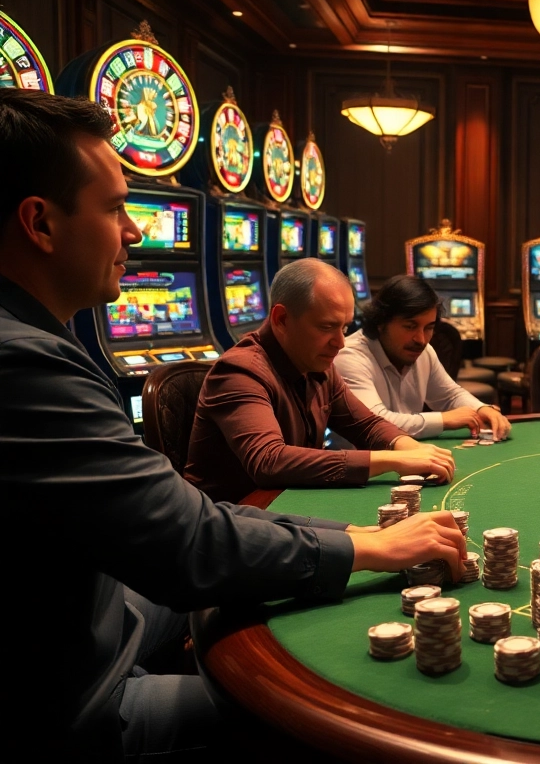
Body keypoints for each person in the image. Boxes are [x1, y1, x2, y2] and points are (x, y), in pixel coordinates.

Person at [0, 88, 467, 761]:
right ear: (41, 224)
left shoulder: (41, 343)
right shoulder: (24, 366)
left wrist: (359, 526)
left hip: (104, 606)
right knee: (339, 713)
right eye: (113, 208)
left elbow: (185, 517)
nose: (134, 231)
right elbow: (192, 540)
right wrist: (373, 548)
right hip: (74, 703)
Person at [184, 259, 456, 504]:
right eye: (327, 327)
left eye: (345, 328)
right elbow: (269, 461)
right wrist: (392, 460)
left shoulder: (317, 364)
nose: (339, 343)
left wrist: (410, 448)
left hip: (286, 508)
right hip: (230, 523)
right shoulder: (239, 371)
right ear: (281, 319)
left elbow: (366, 424)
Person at [334, 274, 511, 441]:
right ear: (381, 323)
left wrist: (481, 408)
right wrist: (444, 420)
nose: (421, 339)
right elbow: (375, 422)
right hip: (357, 466)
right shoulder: (349, 356)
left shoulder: (423, 352)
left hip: (402, 455)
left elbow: (449, 395)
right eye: (410, 326)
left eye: (428, 328)